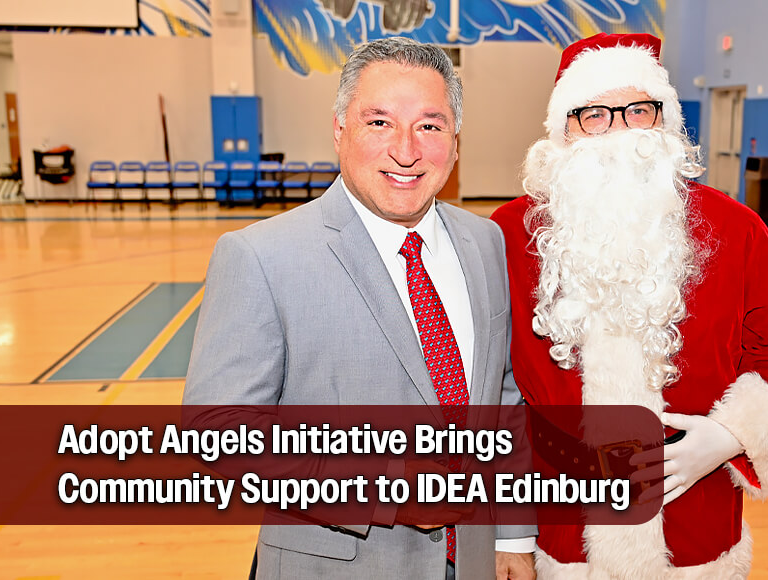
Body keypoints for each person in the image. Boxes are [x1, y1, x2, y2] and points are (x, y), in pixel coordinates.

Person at [184, 37, 536, 580]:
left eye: (430, 125)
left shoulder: (485, 242)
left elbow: (504, 398)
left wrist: (512, 534)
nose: (407, 150)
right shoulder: (260, 256)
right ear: (339, 130)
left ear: (456, 141)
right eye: (379, 122)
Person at [490, 33, 768, 578]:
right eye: (594, 114)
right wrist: (511, 534)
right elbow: (490, 393)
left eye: (637, 110)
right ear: (562, 131)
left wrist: (730, 435)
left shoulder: (735, 230)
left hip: (694, 527)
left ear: (664, 121)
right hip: (561, 530)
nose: (619, 131)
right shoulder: (506, 235)